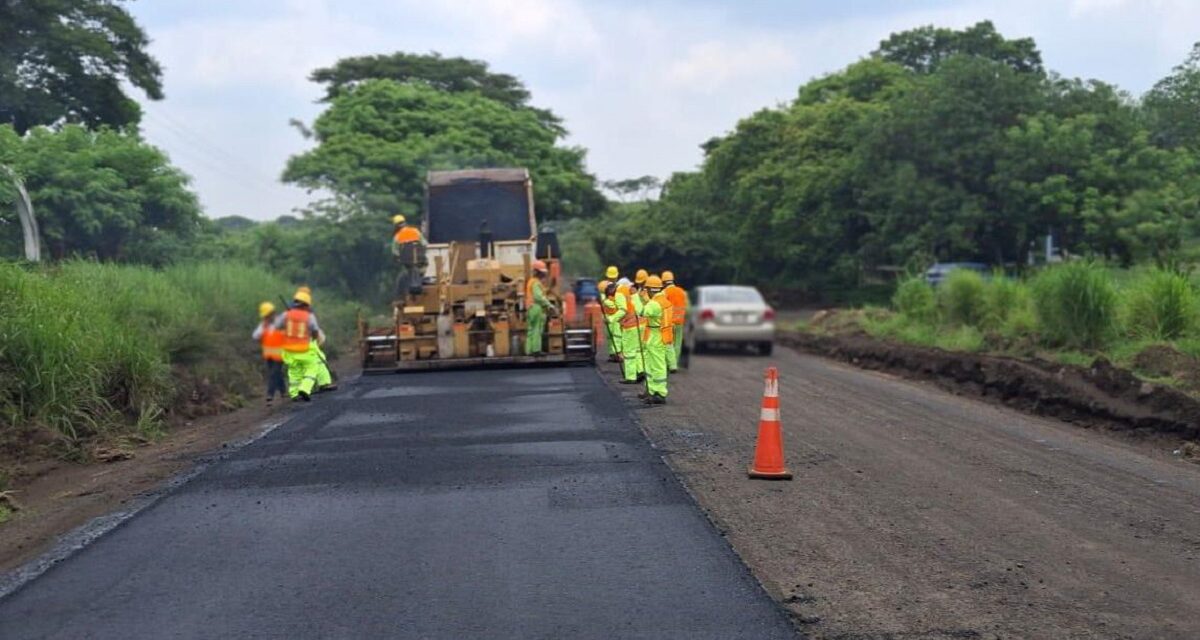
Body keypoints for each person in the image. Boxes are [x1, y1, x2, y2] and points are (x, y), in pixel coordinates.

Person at [275, 289, 324, 402]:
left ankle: (294, 394)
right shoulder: (309, 316)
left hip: (289, 350)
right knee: (312, 367)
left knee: (294, 372)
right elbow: (315, 331)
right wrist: (314, 339)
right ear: (306, 305)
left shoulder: (285, 315)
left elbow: (276, 327)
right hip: (304, 349)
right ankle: (305, 389)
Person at [295, 286, 337, 393]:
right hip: (306, 341)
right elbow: (313, 328)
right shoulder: (306, 311)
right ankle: (321, 384)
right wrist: (315, 337)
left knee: (307, 363)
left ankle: (308, 386)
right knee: (317, 360)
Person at [641, 275, 670, 404]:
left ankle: (659, 393)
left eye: (646, 289)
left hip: (656, 335)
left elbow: (642, 312)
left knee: (657, 366)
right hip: (659, 334)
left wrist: (637, 298)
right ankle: (651, 390)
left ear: (650, 290)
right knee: (652, 364)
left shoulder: (654, 303)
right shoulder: (663, 300)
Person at [251, 302, 286, 404]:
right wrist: (263, 330)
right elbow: (255, 336)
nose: (267, 317)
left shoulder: (279, 322)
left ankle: (270, 394)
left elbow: (286, 316)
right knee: (277, 373)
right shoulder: (263, 325)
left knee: (273, 373)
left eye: (268, 315)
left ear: (272, 313)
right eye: (266, 316)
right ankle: (283, 391)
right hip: (269, 355)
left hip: (279, 354)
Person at [391, 214, 427, 297]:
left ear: (396, 226)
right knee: (422, 272)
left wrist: (398, 258)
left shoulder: (397, 236)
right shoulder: (415, 231)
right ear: (405, 223)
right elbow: (425, 244)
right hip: (421, 262)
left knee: (403, 277)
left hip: (407, 264)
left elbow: (395, 252)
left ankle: (400, 297)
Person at [615, 277, 642, 384]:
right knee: (638, 350)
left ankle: (631, 377)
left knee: (629, 351)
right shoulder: (632, 292)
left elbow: (622, 311)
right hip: (640, 323)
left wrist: (612, 319)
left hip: (630, 326)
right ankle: (640, 370)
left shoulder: (620, 293)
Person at [662, 270, 688, 373]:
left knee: (668, 343)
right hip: (680, 321)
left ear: (664, 282)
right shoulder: (682, 292)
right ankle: (675, 363)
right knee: (678, 343)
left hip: (669, 322)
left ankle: (669, 364)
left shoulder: (665, 292)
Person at [525, 260, 553, 355]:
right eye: (542, 273)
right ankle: (536, 350)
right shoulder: (536, 283)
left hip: (530, 308)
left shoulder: (531, 282)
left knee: (531, 330)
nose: (543, 275)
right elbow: (538, 297)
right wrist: (549, 305)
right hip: (537, 308)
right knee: (537, 329)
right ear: (537, 272)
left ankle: (529, 350)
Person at [599, 279, 622, 362]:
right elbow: (613, 306)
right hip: (613, 319)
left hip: (609, 320)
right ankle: (617, 354)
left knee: (611, 338)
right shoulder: (609, 298)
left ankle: (613, 354)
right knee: (616, 337)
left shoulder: (604, 298)